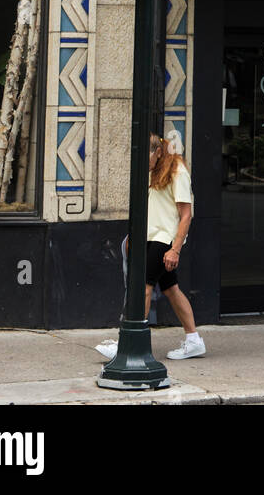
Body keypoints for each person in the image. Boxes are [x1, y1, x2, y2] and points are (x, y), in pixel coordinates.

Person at [97, 132, 205, 362]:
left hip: (164, 240)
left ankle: (127, 344)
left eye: (147, 159)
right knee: (171, 289)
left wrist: (175, 248)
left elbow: (186, 215)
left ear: (158, 152)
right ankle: (194, 340)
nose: (145, 165)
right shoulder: (154, 171)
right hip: (149, 237)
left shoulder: (178, 172)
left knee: (142, 288)